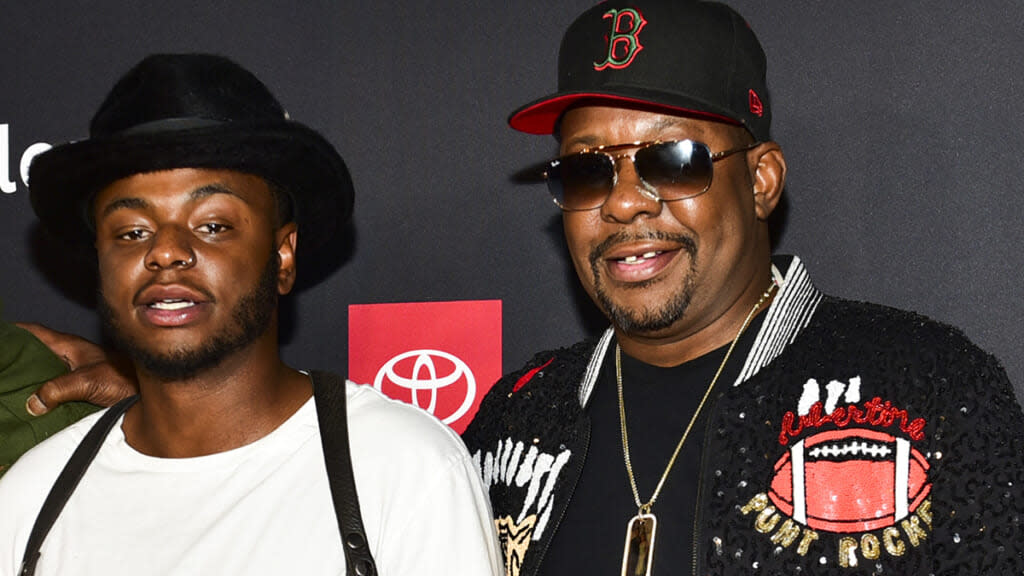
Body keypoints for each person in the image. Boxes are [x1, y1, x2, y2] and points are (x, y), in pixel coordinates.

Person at [460, 2, 1024, 575]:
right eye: (585, 169)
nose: (624, 201)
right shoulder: (517, 416)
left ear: (761, 181)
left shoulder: (929, 385)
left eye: (673, 161)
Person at [0, 53, 502, 576]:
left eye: (213, 225)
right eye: (131, 231)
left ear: (282, 256)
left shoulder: (404, 471)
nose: (166, 251)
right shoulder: (27, 502)